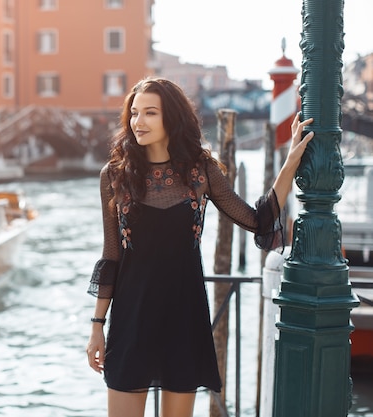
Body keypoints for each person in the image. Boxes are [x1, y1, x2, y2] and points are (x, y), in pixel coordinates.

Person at [85, 77, 313, 417]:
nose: (138, 122)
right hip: (131, 318)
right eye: (134, 113)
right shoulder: (115, 175)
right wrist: (96, 328)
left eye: (150, 113)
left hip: (184, 316)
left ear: (171, 118)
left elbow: (256, 219)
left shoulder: (200, 171)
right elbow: (112, 256)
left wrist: (291, 162)